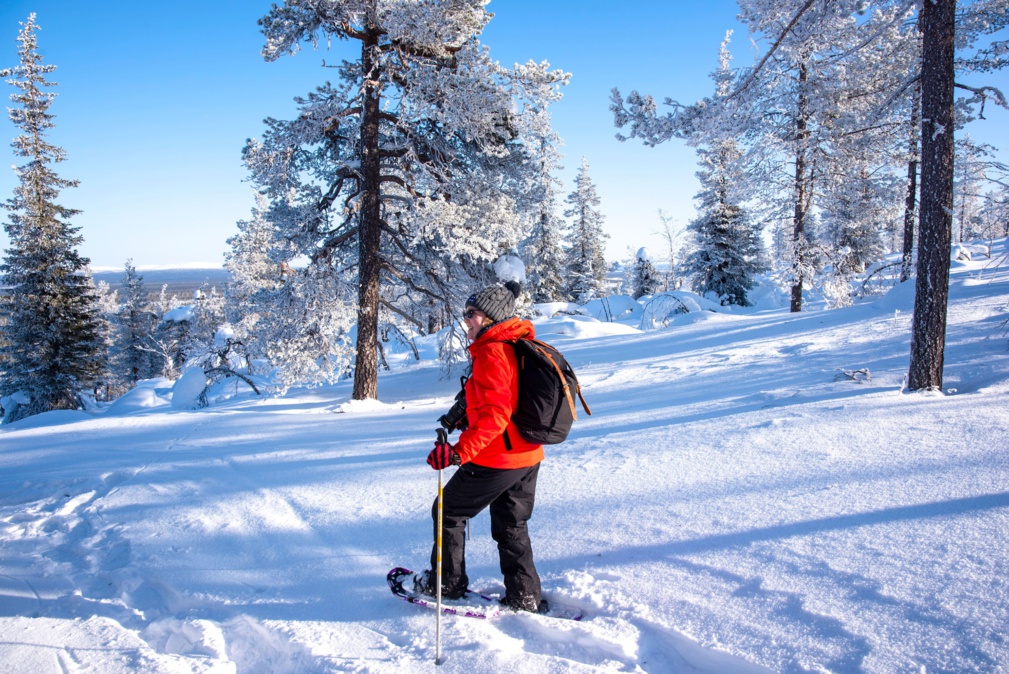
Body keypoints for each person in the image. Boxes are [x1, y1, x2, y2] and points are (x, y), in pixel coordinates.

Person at [418, 280, 547, 613]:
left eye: (472, 313)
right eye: (466, 313)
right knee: (510, 523)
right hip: (527, 454)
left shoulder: (492, 351)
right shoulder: (512, 343)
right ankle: (524, 595)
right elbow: (499, 400)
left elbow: (496, 414)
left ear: (490, 316)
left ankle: (446, 583)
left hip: (499, 457)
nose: (467, 319)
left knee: (447, 511)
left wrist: (459, 451)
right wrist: (462, 418)